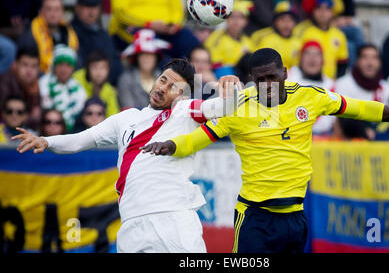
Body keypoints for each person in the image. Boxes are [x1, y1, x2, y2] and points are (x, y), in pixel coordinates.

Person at [142, 48, 389, 254]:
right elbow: (199, 138)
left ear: (285, 73)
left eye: (273, 78)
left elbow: (361, 109)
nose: (268, 85)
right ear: (252, 81)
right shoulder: (237, 109)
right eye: (260, 81)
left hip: (295, 219)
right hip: (254, 220)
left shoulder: (310, 97)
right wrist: (171, 145)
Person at [13, 58, 242, 253]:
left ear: (181, 95)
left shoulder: (185, 111)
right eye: (162, 79)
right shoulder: (125, 118)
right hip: (131, 223)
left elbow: (224, 107)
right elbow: (80, 140)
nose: (163, 88)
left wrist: (232, 89)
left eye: (173, 86)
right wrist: (46, 140)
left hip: (173, 218)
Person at [71, 0, 122, 85]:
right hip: (82, 87)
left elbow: (116, 63)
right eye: (86, 7)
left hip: (107, 87)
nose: (91, 12)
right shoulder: (69, 32)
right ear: (77, 8)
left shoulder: (103, 34)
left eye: (94, 8)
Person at [18, 0, 79, 73]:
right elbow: (27, 67)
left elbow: (77, 60)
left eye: (57, 9)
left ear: (62, 12)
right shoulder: (30, 35)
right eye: (49, 9)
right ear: (41, 11)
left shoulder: (68, 31)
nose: (53, 14)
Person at [297, 0, 348, 79]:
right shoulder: (302, 31)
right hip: (305, 82)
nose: (323, 12)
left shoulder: (339, 35)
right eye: (318, 8)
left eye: (327, 8)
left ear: (333, 11)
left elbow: (342, 63)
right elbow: (296, 60)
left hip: (329, 85)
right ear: (312, 10)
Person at [288, 41, 335, 135]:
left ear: (323, 61)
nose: (312, 59)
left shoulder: (330, 85)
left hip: (323, 138)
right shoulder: (289, 77)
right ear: (300, 59)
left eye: (317, 55)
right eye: (308, 54)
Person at [39, 45, 87, 131]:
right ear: (54, 66)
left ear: (73, 68)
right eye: (60, 64)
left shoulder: (79, 90)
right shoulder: (42, 84)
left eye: (68, 65)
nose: (64, 69)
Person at [118, 29, 169, 109]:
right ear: (136, 58)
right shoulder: (126, 80)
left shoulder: (163, 79)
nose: (146, 58)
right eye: (143, 54)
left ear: (156, 57)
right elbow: (127, 112)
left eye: (150, 54)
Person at [204, 0, 255, 71]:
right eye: (232, 16)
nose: (236, 20)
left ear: (246, 21)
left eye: (241, 17)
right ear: (226, 19)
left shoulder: (248, 41)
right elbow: (214, 65)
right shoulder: (216, 37)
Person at [0, 46, 41, 130]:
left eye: (34, 66)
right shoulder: (4, 83)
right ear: (15, 64)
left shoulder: (36, 85)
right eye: (25, 64)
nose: (29, 70)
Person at [251, 1, 299, 69]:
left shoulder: (299, 42)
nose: (286, 24)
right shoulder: (266, 40)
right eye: (282, 19)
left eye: (290, 20)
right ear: (275, 22)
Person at [73, 50, 119, 118]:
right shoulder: (76, 80)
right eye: (94, 67)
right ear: (88, 69)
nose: (99, 72)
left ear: (109, 70)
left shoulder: (109, 91)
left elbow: (113, 117)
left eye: (103, 68)